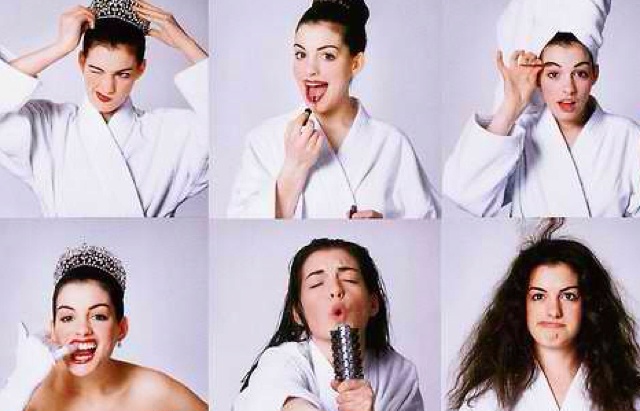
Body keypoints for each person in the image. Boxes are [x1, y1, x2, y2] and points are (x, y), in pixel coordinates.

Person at [227, 0, 439, 219]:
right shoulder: (264, 140)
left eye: (327, 55)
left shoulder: (391, 144)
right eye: (301, 54)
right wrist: (293, 169)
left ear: (355, 63)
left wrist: (385, 226)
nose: (309, 70)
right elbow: (238, 223)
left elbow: (428, 218)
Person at [0, 0, 208, 217]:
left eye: (123, 74)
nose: (107, 87)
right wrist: (60, 47)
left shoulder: (171, 133)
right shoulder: (50, 126)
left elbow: (227, 130)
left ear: (141, 69)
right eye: (96, 70)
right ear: (81, 61)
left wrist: (187, 45)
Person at [233, 238, 437, 411]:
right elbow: (267, 396)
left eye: (349, 279)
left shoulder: (399, 372)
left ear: (373, 303)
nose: (335, 290)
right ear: (297, 313)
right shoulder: (282, 360)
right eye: (316, 283)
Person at [446, 228, 640, 411]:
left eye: (568, 296)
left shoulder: (629, 399)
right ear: (521, 306)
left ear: (588, 305)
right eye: (539, 296)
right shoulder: (484, 403)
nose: (553, 311)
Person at [0, 243, 208, 411]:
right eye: (67, 317)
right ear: (52, 329)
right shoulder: (36, 391)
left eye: (98, 316)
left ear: (121, 328)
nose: (82, 330)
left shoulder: (154, 389)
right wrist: (19, 385)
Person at [443, 0, 640, 218]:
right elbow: (466, 194)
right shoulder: (520, 134)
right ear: (538, 78)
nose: (568, 89)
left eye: (580, 73)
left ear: (595, 74)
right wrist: (511, 105)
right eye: (554, 74)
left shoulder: (628, 136)